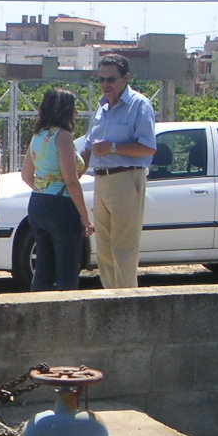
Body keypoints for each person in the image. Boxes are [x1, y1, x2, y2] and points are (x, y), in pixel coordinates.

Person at [80, 54, 156, 288]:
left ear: (126, 77)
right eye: (101, 79)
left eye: (111, 79)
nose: (106, 85)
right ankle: (109, 301)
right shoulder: (102, 107)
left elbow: (148, 147)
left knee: (123, 249)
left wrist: (113, 147)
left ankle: (126, 303)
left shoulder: (139, 105)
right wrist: (72, 172)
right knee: (103, 249)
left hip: (126, 178)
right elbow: (89, 147)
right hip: (101, 181)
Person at [22, 88, 94, 291]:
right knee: (67, 268)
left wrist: (45, 188)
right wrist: (85, 217)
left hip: (37, 202)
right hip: (61, 206)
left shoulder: (38, 136)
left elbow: (26, 175)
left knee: (43, 266)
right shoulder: (63, 137)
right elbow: (71, 181)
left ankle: (38, 309)